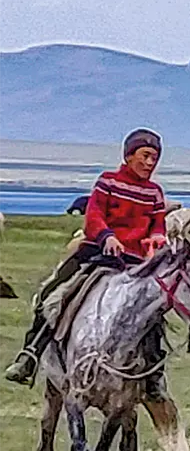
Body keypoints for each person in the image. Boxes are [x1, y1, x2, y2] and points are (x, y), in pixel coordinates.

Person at [5, 129, 169, 389]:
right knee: (55, 293)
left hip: (136, 264)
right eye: (145, 156)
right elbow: (94, 216)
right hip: (98, 254)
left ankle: (152, 373)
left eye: (155, 158)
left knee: (152, 312)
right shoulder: (107, 182)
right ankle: (30, 354)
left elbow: (158, 224)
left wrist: (158, 238)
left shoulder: (155, 193)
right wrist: (107, 236)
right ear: (129, 155)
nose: (150, 163)